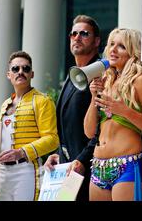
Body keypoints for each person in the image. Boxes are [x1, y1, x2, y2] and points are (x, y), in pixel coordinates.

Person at [84, 28, 142, 201]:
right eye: (111, 44)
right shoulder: (106, 80)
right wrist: (94, 96)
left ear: (133, 51)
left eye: (121, 46)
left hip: (128, 166)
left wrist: (124, 110)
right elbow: (88, 131)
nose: (113, 50)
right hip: (98, 168)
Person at [44, 15, 101, 201]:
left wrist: (82, 160)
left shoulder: (101, 74)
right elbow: (68, 127)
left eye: (84, 33)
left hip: (90, 168)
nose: (77, 37)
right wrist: (59, 155)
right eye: (73, 34)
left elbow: (103, 127)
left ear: (96, 41)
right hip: (69, 169)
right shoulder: (72, 75)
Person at [0, 51, 59, 201]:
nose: (20, 72)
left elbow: (52, 139)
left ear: (32, 74)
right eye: (15, 69)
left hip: (26, 169)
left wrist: (22, 152)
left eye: (25, 69)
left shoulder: (43, 101)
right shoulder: (5, 104)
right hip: (1, 172)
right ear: (8, 74)